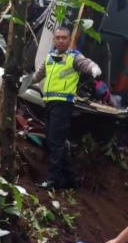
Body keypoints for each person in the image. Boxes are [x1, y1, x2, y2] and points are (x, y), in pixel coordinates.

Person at [29, 26, 102, 190]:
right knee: (54, 141)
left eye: (64, 37)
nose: (61, 40)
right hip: (49, 103)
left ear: (69, 40)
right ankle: (72, 179)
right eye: (58, 37)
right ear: (54, 40)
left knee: (56, 142)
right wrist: (22, 80)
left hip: (63, 104)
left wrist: (93, 69)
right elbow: (37, 77)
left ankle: (53, 179)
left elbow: (86, 64)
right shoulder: (49, 58)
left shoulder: (74, 57)